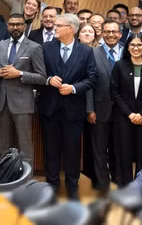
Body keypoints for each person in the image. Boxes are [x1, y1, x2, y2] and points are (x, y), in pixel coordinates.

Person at [40, 13, 97, 200]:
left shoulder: (86, 52)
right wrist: (48, 80)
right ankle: (51, 189)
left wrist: (73, 88)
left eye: (58, 25)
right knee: (50, 151)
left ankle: (73, 190)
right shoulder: (46, 48)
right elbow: (38, 74)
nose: (54, 28)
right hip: (50, 109)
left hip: (74, 111)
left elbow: (91, 78)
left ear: (71, 29)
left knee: (73, 153)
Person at [0, 14, 46, 167]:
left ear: (24, 26)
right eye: (12, 24)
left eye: (18, 24)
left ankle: (25, 181)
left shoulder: (34, 47)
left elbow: (42, 77)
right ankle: (5, 177)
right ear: (7, 26)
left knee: (25, 146)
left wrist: (20, 73)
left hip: (23, 103)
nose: (15, 27)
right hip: (2, 102)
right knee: (4, 146)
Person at [111, 34, 142, 187]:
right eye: (132, 45)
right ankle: (125, 189)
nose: (136, 48)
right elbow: (114, 93)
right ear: (127, 47)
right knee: (124, 154)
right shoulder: (119, 65)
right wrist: (130, 114)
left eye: (139, 45)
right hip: (123, 117)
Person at [87, 20, 122, 194]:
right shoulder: (93, 53)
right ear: (102, 33)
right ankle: (102, 183)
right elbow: (88, 83)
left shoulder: (129, 51)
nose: (110, 34)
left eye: (114, 31)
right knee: (99, 148)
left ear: (120, 34)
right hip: (99, 108)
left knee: (119, 146)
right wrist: (89, 108)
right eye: (107, 31)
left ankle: (118, 177)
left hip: (124, 110)